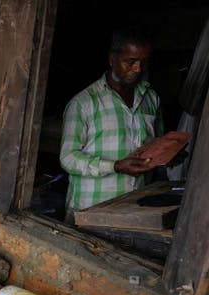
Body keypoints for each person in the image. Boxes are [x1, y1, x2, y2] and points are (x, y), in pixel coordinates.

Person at [60, 27, 163, 222]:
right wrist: (115, 166)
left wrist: (167, 155)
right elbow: (68, 158)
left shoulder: (151, 99)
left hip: (136, 209)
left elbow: (156, 143)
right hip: (90, 211)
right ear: (112, 59)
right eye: (130, 62)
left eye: (143, 62)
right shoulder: (83, 103)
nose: (138, 69)